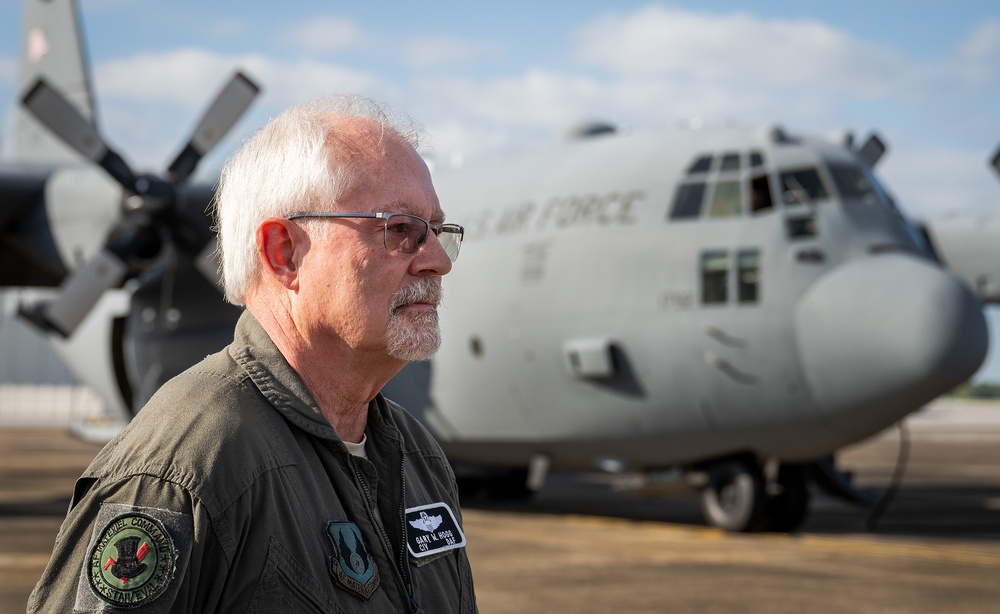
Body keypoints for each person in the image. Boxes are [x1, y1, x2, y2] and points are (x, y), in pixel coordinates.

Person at [28, 95, 477, 613]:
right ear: (284, 252)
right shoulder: (184, 469)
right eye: (400, 230)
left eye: (438, 231)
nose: (438, 261)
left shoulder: (415, 455)